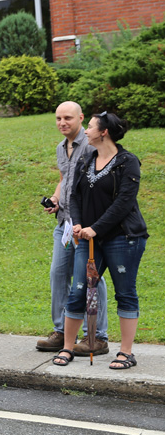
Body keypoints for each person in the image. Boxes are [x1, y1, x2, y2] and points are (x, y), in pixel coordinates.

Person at [54, 112, 148, 371]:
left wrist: (96, 228)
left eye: (91, 127)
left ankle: (126, 353)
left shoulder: (128, 162)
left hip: (123, 239)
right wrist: (78, 223)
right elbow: (74, 194)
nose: (86, 131)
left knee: (125, 293)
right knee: (78, 292)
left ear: (103, 132)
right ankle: (68, 347)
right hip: (88, 238)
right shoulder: (86, 159)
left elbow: (123, 203)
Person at [36, 102, 109, 356]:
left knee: (91, 277)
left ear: (80, 118)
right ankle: (62, 332)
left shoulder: (91, 146)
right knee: (58, 274)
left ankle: (97, 336)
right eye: (58, 118)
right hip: (64, 224)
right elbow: (64, 179)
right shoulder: (60, 147)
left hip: (85, 226)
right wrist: (56, 200)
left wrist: (89, 224)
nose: (62, 122)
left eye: (67, 117)